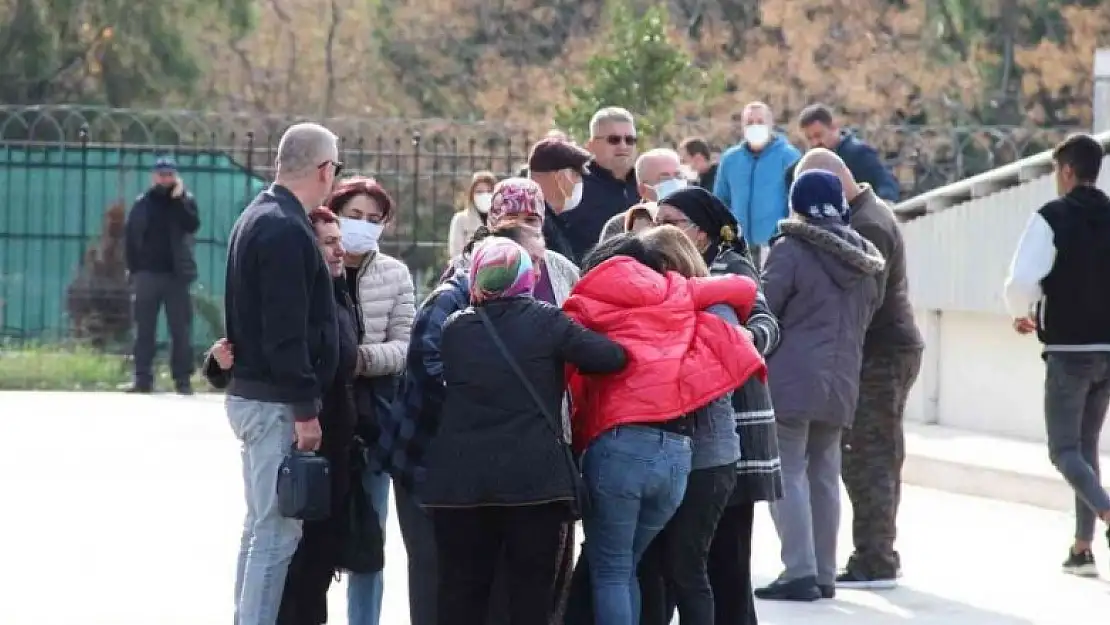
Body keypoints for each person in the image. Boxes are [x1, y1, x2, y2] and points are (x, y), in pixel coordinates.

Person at [421, 237, 628, 625]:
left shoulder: (455, 328)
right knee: (530, 593)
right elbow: (610, 357)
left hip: (460, 484)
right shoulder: (546, 320)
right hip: (532, 483)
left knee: (461, 590)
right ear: (526, 277)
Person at [564, 234, 766, 625]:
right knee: (636, 567)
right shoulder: (679, 292)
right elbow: (743, 286)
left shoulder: (589, 299)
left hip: (620, 444)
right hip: (677, 452)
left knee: (613, 571)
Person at [371, 223, 554, 625]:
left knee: (474, 580)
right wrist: (494, 403)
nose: (539, 273)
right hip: (425, 461)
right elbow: (431, 370)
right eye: (534, 261)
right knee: (434, 574)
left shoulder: (508, 304)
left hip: (469, 467)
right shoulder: (448, 302)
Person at [223, 122, 342, 625]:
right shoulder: (286, 228)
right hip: (275, 403)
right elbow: (285, 333)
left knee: (261, 527)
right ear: (324, 169)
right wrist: (305, 410)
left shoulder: (259, 214)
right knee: (276, 534)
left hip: (257, 395)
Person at [651, 186, 784, 625]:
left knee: (727, 563)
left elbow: (766, 324)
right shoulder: (669, 271)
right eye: (659, 222)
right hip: (695, 437)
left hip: (736, 436)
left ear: (703, 233)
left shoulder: (729, 269)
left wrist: (740, 341)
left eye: (673, 223)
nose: (662, 231)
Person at [793, 148, 923, 589]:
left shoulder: (867, 223)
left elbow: (864, 300)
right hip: (880, 349)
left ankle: (876, 555)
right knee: (872, 452)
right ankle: (876, 548)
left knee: (870, 456)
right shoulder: (868, 214)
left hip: (881, 352)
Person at [756, 169, 885, 602]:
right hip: (843, 380)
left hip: (792, 380)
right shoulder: (866, 259)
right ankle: (825, 573)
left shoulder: (790, 249)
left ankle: (798, 571)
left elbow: (765, 310)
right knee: (825, 474)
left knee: (786, 470)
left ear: (797, 205)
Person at [1004, 133, 1110, 577]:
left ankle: (1106, 513)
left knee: (1063, 450)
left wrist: (1019, 311)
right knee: (1085, 449)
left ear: (1067, 171)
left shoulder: (1053, 216)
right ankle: (1082, 548)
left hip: (1069, 349)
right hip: (1108, 349)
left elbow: (1021, 280)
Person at [634, 225, 742, 625]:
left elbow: (718, 380)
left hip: (706, 459)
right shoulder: (662, 307)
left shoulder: (714, 310)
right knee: (655, 566)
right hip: (670, 455)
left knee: (685, 568)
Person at [326, 177, 416, 625]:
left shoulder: (394, 274)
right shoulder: (317, 266)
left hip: (372, 422)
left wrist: (356, 359)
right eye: (353, 216)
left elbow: (406, 347)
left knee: (369, 538)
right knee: (311, 532)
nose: (361, 227)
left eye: (373, 220)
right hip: (320, 415)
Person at [123, 156, 200, 394]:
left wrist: (178, 200)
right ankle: (142, 378)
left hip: (175, 276)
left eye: (169, 174)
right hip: (147, 275)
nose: (165, 178)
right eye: (161, 174)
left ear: (175, 176)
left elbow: (192, 225)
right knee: (144, 329)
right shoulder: (142, 203)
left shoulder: (185, 201)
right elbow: (130, 238)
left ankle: (182, 380)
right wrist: (134, 270)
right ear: (153, 176)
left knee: (180, 330)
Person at [713, 102, 801, 268]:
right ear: (742, 126)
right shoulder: (730, 159)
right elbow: (720, 201)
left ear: (771, 124)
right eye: (749, 122)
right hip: (739, 245)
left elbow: (798, 201)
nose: (755, 126)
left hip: (777, 244)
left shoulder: (789, 156)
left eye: (760, 121)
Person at [556, 107, 642, 260]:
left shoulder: (645, 183)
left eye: (630, 140)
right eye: (614, 139)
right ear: (591, 144)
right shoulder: (574, 184)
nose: (623, 146)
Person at [797, 104, 901, 203]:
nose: (815, 142)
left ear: (833, 128)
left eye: (818, 135)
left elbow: (886, 184)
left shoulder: (860, 154)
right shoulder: (809, 165)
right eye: (809, 138)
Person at [527, 137, 595, 263]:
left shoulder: (545, 220)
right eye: (576, 175)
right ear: (560, 177)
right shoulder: (537, 226)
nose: (579, 182)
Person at [599, 148, 687, 243]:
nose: (674, 183)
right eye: (665, 178)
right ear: (643, 190)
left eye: (678, 176)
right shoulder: (621, 225)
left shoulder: (697, 217)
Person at [449, 171, 498, 258]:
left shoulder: (502, 220)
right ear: (472, 195)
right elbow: (456, 255)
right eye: (479, 192)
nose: (485, 195)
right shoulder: (460, 219)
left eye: (489, 191)